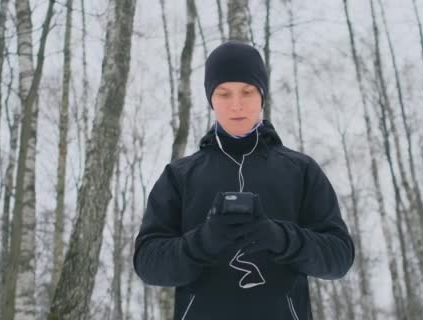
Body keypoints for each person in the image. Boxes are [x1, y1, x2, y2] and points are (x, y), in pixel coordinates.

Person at [133, 40, 355, 320]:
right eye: (224, 93)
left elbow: (339, 257)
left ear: (262, 95)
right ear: (210, 99)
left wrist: (280, 237)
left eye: (247, 92)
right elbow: (147, 262)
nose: (236, 105)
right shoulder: (180, 176)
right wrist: (203, 241)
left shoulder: (301, 170)